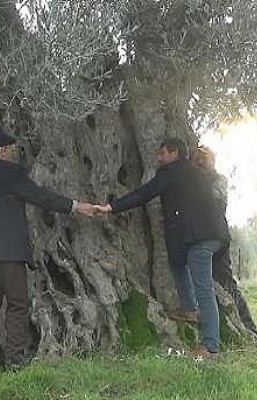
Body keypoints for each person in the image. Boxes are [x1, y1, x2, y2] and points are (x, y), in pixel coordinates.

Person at [0, 129, 96, 370]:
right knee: (17, 304)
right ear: (3, 150)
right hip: (9, 253)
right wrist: (75, 206)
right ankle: (13, 359)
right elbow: (40, 197)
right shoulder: (12, 173)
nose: (13, 155)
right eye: (11, 150)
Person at [96, 137, 229, 357]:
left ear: (175, 153)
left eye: (163, 153)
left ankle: (211, 347)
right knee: (177, 262)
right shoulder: (197, 173)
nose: (159, 158)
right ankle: (188, 308)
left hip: (201, 238)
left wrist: (111, 207)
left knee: (204, 290)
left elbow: (143, 194)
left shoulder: (170, 172)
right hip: (213, 234)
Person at [194, 146, 257, 339]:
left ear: (212, 161)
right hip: (198, 239)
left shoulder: (219, 180)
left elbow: (215, 198)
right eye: (196, 158)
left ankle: (250, 330)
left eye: (203, 159)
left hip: (217, 238)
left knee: (227, 284)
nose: (199, 162)